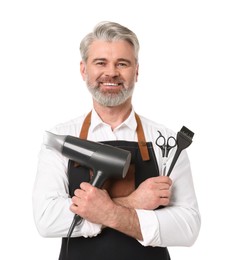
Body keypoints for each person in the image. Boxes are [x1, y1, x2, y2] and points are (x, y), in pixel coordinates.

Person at [33, 21, 201, 260]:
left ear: (137, 71)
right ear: (83, 70)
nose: (111, 72)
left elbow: (188, 226)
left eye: (122, 64)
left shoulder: (167, 143)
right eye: (100, 62)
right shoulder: (61, 139)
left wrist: (107, 211)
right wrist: (133, 202)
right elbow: (47, 219)